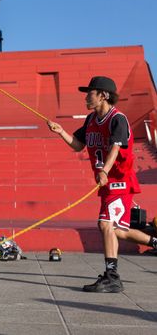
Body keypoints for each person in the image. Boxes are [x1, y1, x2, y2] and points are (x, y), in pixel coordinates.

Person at [47, 76, 157, 293]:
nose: (86, 96)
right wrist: (60, 132)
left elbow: (116, 148)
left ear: (103, 95)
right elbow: (78, 145)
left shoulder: (118, 119)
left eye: (90, 92)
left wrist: (105, 170)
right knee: (119, 231)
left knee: (105, 225)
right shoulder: (90, 120)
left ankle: (112, 277)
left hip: (119, 182)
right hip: (107, 184)